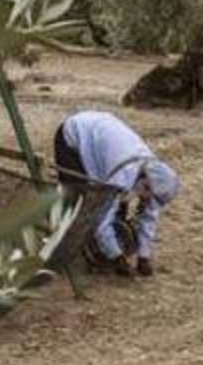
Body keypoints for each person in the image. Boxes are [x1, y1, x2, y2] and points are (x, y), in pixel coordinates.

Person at [53, 110, 180, 277]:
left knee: (109, 198)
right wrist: (117, 257)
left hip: (101, 134)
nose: (146, 202)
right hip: (74, 133)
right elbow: (101, 216)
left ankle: (99, 243)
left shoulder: (153, 172)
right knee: (81, 200)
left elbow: (150, 214)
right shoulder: (122, 175)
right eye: (147, 198)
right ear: (146, 184)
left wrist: (144, 256)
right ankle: (60, 248)